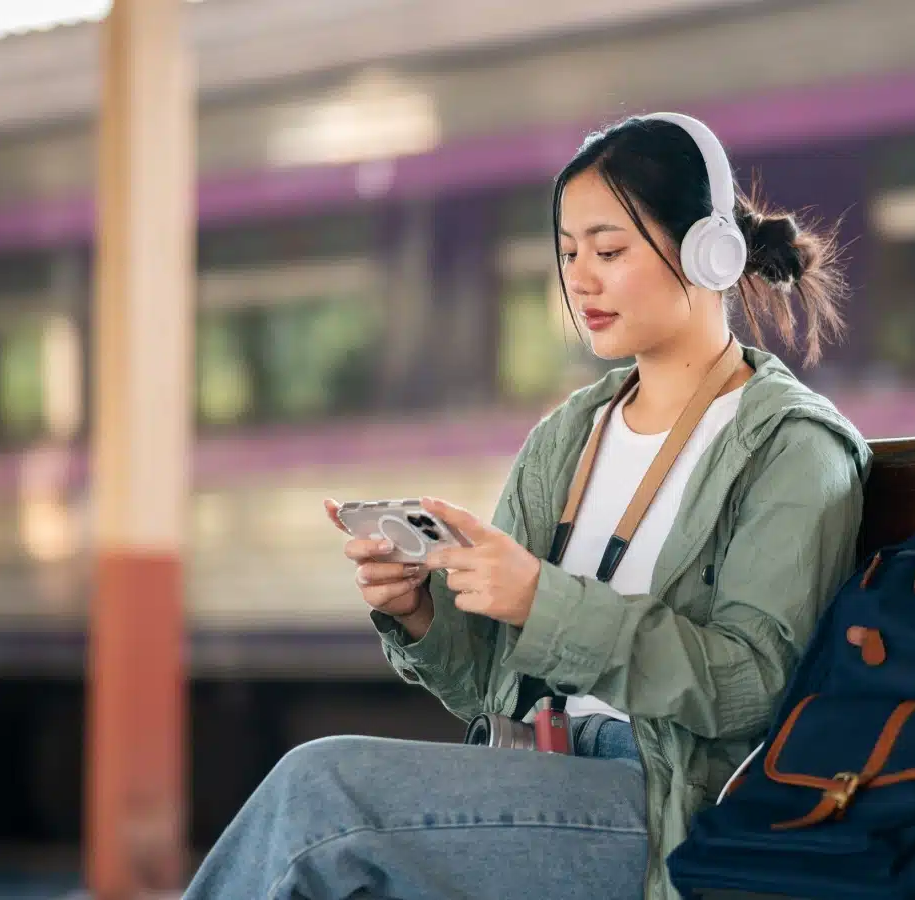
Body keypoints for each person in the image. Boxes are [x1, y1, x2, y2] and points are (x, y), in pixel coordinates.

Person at [181, 112, 871, 900]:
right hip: (537, 770)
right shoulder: (571, 435)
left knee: (323, 797)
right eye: (570, 253)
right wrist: (423, 612)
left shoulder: (793, 448)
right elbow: (489, 686)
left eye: (610, 251)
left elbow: (756, 687)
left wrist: (544, 602)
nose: (580, 280)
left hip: (670, 807)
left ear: (706, 250)